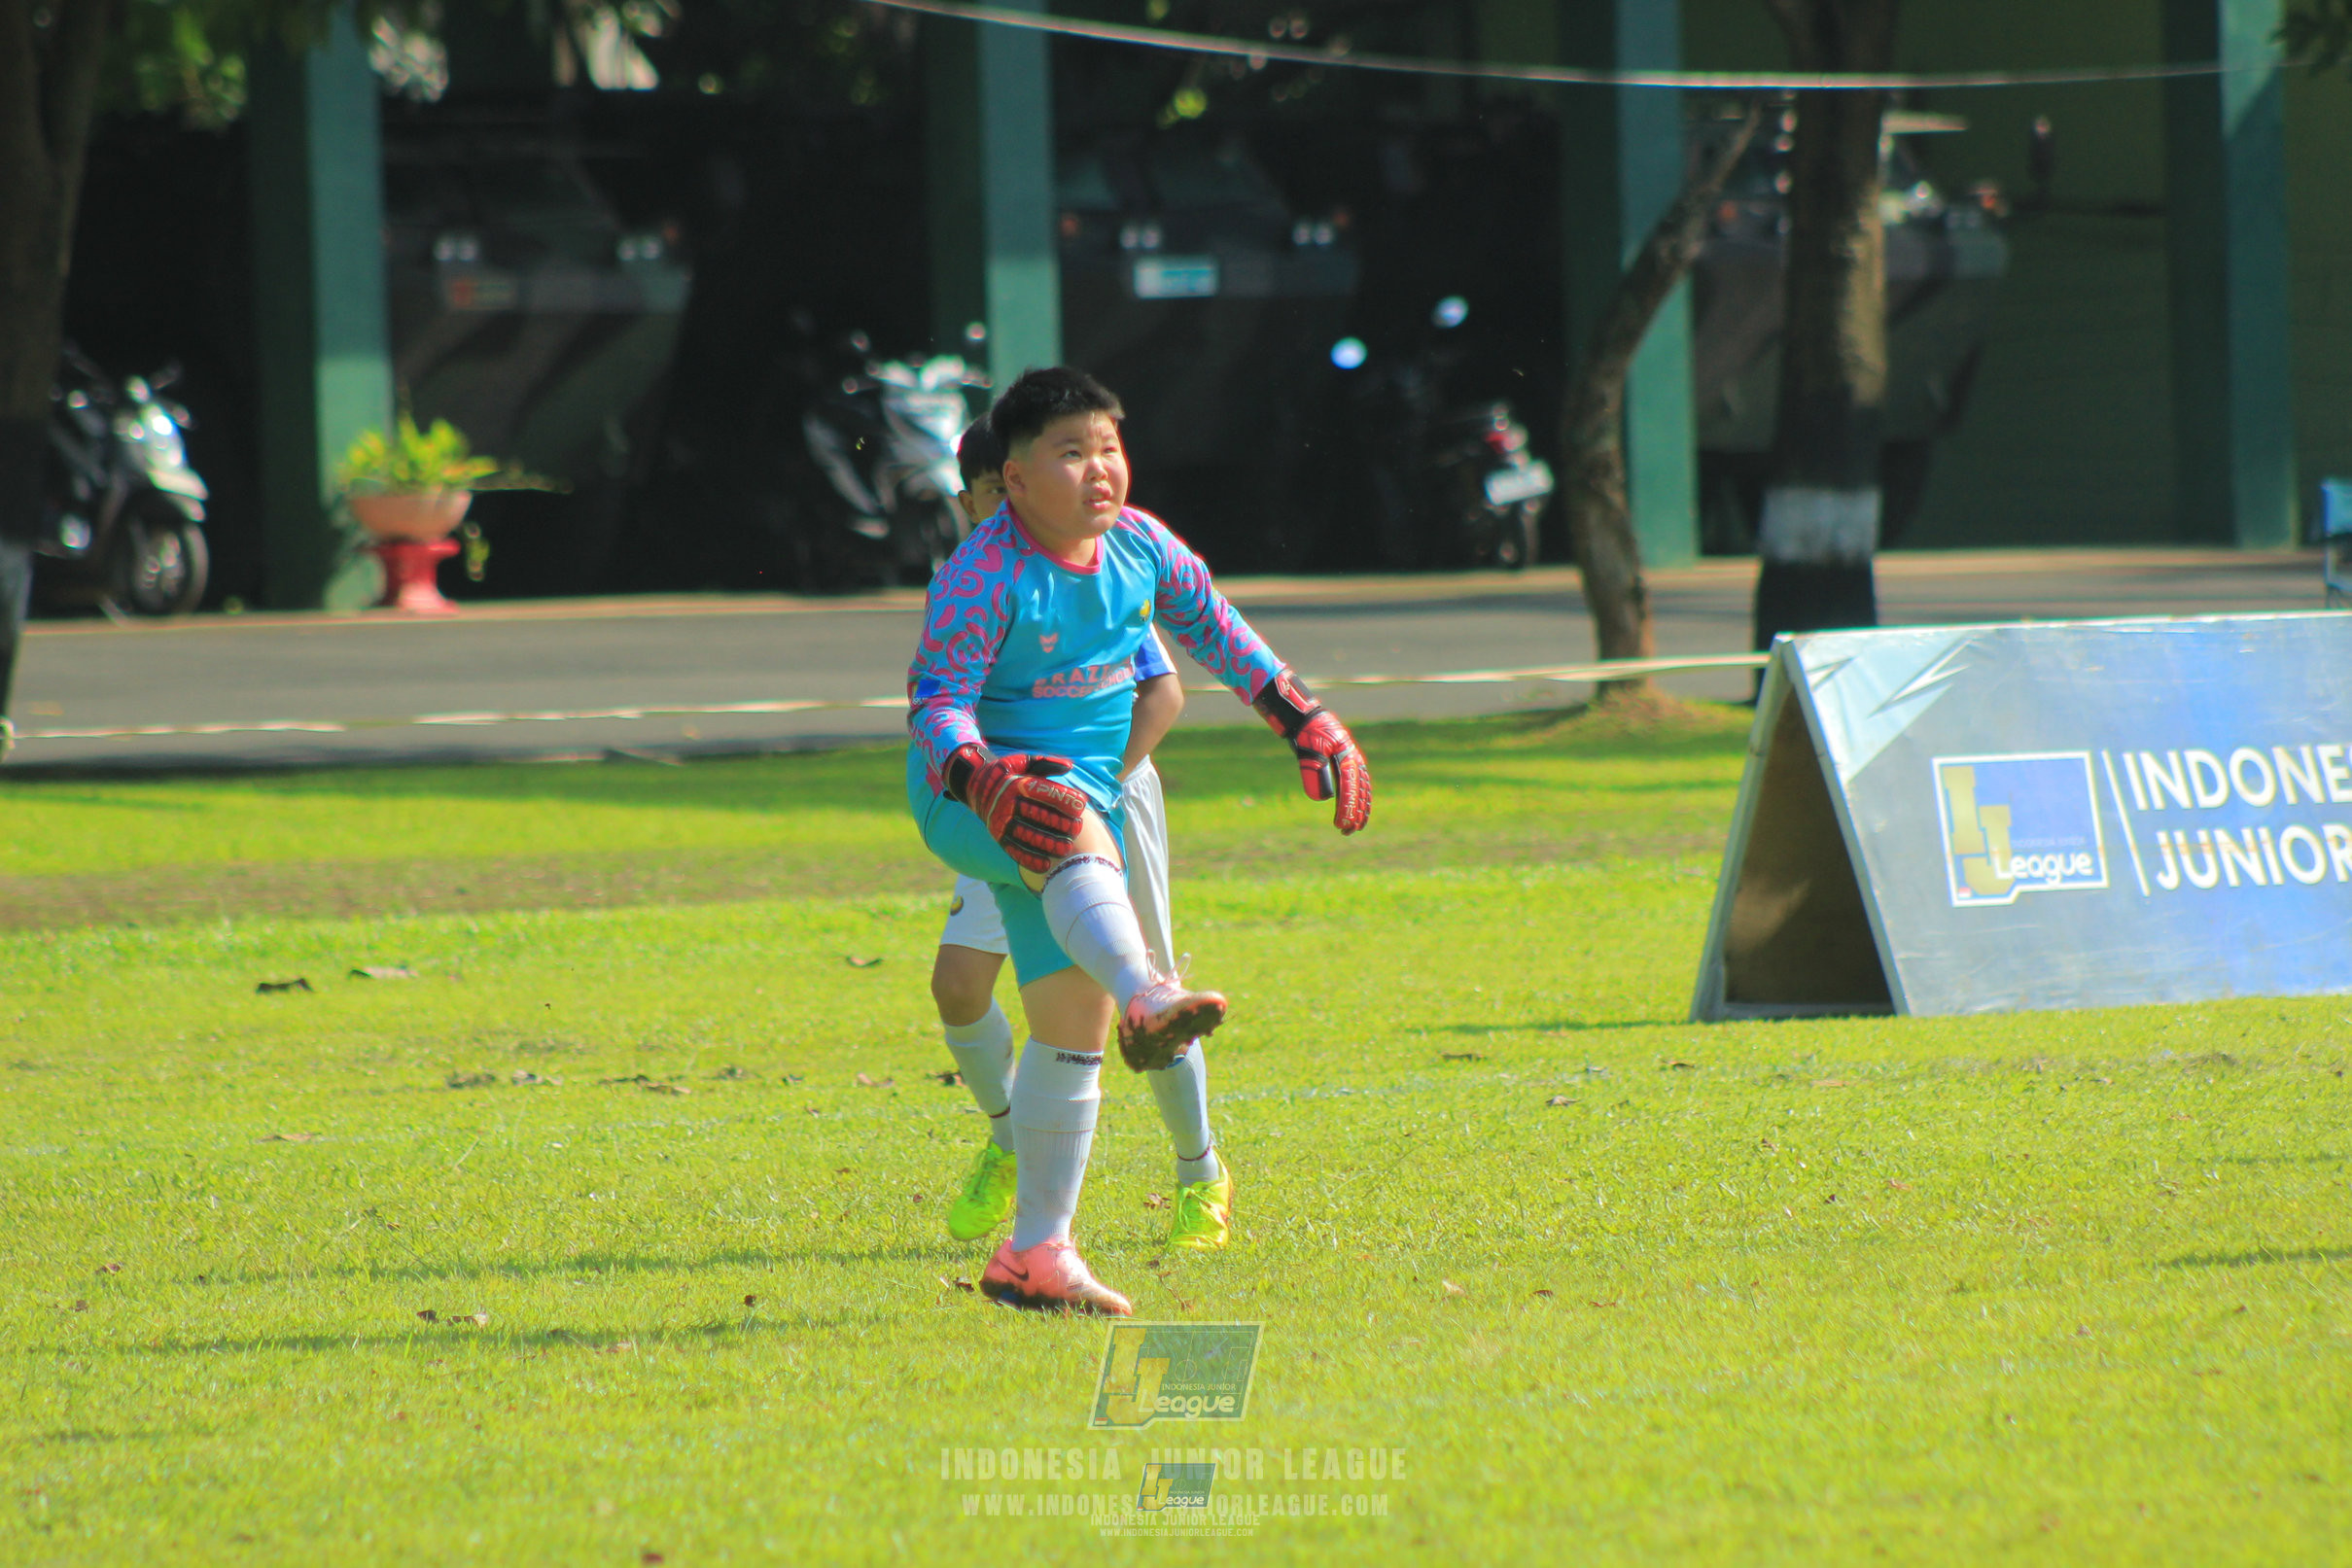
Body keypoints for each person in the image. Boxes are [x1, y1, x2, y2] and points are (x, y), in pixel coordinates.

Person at [906, 367, 1372, 1314]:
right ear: (1016, 476)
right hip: (971, 794)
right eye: (1070, 452)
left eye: (1109, 447)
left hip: (1070, 797)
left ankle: (1036, 1251)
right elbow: (935, 706)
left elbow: (1224, 636)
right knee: (1072, 830)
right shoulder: (983, 573)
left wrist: (1307, 719)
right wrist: (983, 778)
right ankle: (1149, 992)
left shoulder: (1140, 546)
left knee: (1067, 1027)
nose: (1099, 470)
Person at [930, 420, 1231, 1256]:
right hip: (1007, 810)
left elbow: (1163, 692)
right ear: (973, 500)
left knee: (1147, 999)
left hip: (1098, 803)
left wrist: (1083, 792)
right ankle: (1009, 1140)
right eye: (989, 495)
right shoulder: (970, 578)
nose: (1006, 511)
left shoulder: (1096, 562)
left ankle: (1199, 1172)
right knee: (958, 983)